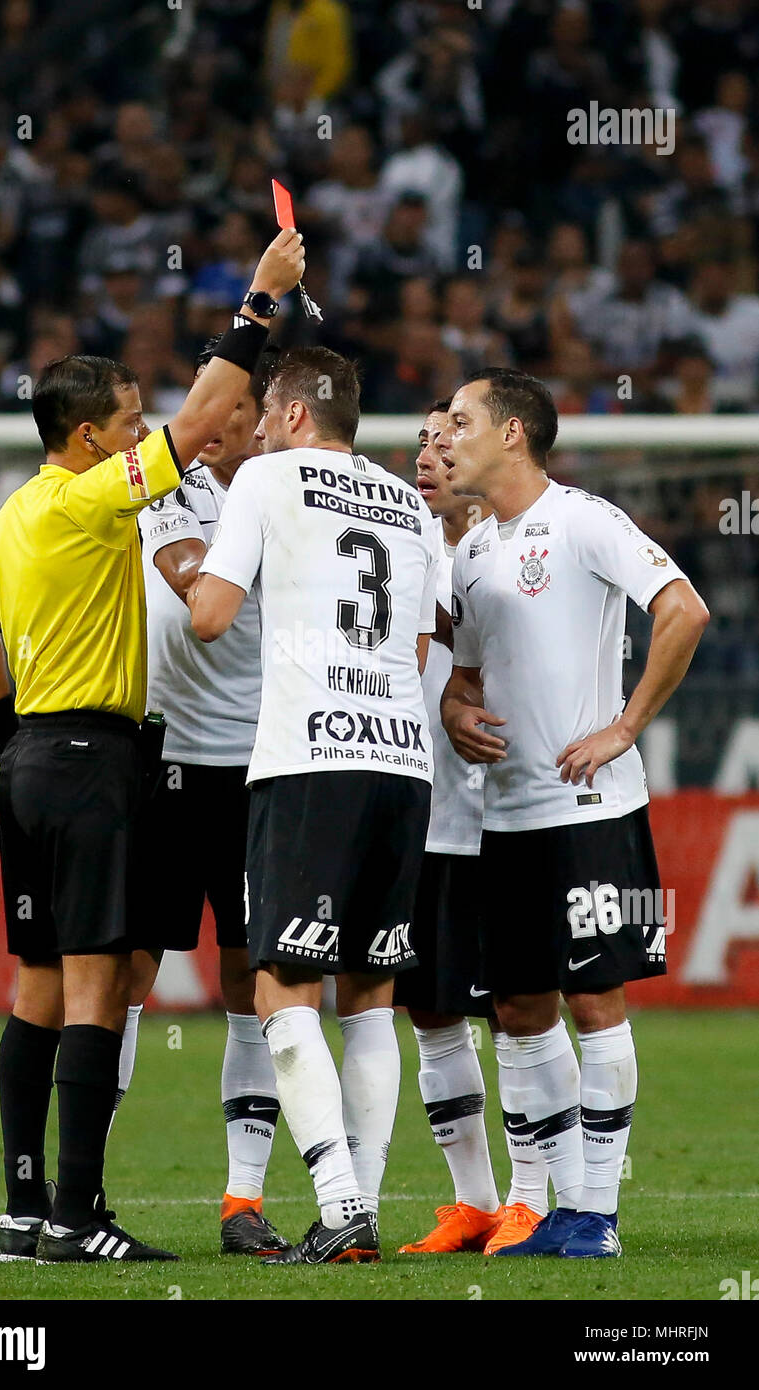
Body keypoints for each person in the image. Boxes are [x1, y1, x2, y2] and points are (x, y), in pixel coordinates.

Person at [0, 228, 305, 1265]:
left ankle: (23, 1213)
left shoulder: (12, 516)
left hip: (26, 768)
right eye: (130, 423)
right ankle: (78, 1216)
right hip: (101, 761)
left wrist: (7, 745)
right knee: (100, 990)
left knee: (36, 991)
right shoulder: (90, 499)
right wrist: (257, 303)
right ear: (94, 440)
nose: (147, 434)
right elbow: (201, 423)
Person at [440, 368, 709, 1258]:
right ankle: (556, 1209)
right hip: (504, 814)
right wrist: (453, 707)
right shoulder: (473, 550)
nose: (446, 432)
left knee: (594, 997)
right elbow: (468, 672)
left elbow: (683, 609)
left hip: (588, 809)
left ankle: (596, 1214)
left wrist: (622, 726)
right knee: (518, 1010)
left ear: (513, 432)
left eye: (462, 418)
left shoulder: (584, 519)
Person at [189, 347, 439, 1265]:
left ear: (294, 416)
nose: (251, 428)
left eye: (264, 413)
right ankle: (360, 1207)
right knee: (370, 997)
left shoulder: (263, 478)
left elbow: (211, 615)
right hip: (402, 761)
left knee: (279, 986)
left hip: (308, 760)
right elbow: (414, 652)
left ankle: (338, 1205)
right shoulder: (410, 503)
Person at [120, 337, 290, 1257]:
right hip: (164, 762)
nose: (217, 416)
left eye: (232, 402)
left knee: (252, 980)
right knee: (124, 974)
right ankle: (83, 1197)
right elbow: (193, 591)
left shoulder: (292, 492)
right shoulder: (165, 487)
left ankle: (243, 1201)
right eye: (206, 398)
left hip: (259, 767)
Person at [395, 402, 548, 1258]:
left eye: (447, 433)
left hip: (502, 819)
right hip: (423, 822)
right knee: (433, 1014)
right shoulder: (393, 549)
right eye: (420, 439)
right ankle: (474, 1203)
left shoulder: (509, 556)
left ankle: (537, 1197)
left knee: (522, 1010)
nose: (431, 450)